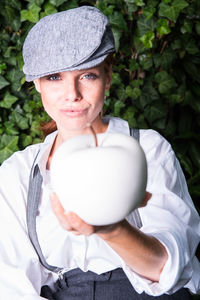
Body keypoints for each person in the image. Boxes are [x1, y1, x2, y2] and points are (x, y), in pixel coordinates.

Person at [0, 5, 199, 300]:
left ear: (107, 77)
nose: (72, 94)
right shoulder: (18, 173)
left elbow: (169, 267)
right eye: (55, 77)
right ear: (37, 84)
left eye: (88, 75)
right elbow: (12, 286)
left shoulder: (149, 149)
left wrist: (111, 229)